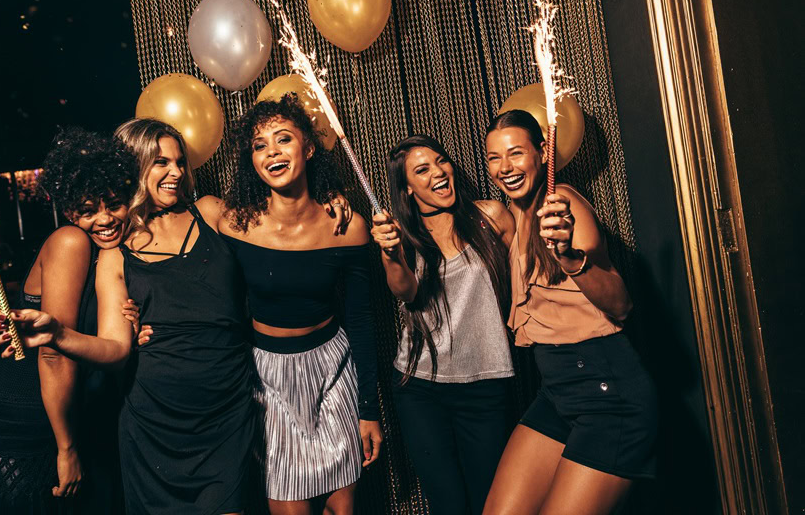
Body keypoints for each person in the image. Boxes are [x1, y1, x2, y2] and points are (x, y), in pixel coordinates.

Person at [0, 118, 351, 514]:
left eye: (180, 162)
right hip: (154, 424)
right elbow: (114, 347)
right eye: (162, 162)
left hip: (226, 411)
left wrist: (322, 198)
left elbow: (278, 225)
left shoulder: (211, 211)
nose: (176, 172)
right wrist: (58, 333)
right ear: (135, 166)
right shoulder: (115, 249)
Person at [140, 96, 382, 515]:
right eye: (259, 144)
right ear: (251, 159)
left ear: (307, 148)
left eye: (283, 139)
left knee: (342, 508)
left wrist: (369, 410)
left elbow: (362, 320)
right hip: (266, 375)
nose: (272, 151)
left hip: (332, 370)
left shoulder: (348, 226)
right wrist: (135, 315)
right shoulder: (233, 222)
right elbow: (174, 260)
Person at [482, 110, 657, 515]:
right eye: (494, 158)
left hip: (609, 396)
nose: (505, 168)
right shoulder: (518, 211)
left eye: (516, 154)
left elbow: (621, 304)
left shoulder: (564, 208)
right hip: (558, 393)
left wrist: (570, 258)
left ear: (543, 152)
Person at [0, 128, 138, 514]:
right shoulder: (70, 242)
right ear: (69, 209)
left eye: (113, 204)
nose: (105, 219)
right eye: (88, 210)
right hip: (30, 422)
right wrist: (67, 448)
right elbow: (54, 355)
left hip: (70, 416)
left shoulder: (111, 253)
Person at [369, 135, 515, 515]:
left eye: (441, 161)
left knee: (491, 503)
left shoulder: (492, 217)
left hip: (486, 383)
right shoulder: (400, 237)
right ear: (407, 188)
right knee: (447, 505)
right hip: (421, 389)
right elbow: (407, 291)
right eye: (422, 170)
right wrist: (391, 254)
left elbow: (526, 279)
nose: (438, 173)